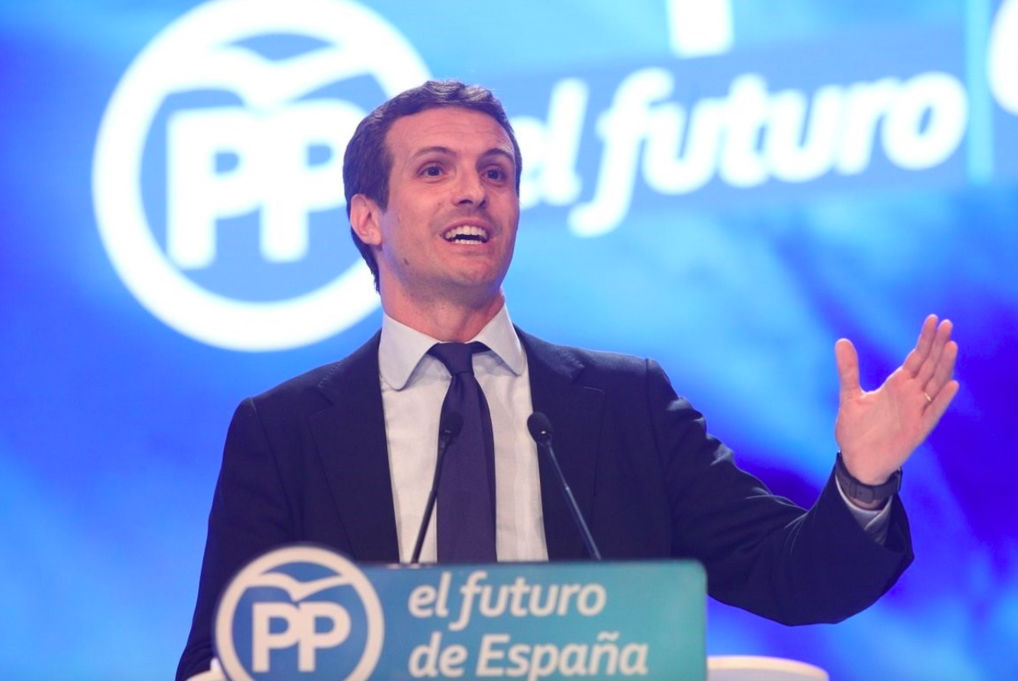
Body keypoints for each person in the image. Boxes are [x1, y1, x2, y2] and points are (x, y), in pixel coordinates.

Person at [175, 80, 958, 681]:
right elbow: (221, 654)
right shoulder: (285, 430)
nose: (474, 191)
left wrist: (862, 480)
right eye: (435, 169)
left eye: (496, 172)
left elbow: (794, 578)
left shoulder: (625, 404)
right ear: (367, 218)